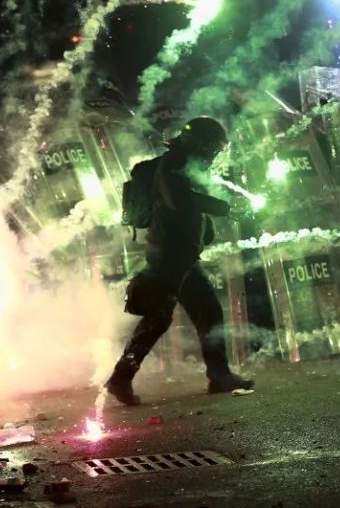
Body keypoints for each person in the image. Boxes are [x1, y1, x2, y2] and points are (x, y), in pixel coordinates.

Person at [106, 117, 253, 405]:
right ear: (200, 142)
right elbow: (178, 201)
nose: (213, 153)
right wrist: (223, 207)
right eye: (212, 146)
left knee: (202, 312)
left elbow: (186, 206)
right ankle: (121, 378)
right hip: (169, 256)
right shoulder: (173, 165)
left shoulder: (182, 164)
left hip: (179, 255)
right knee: (160, 318)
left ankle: (218, 374)